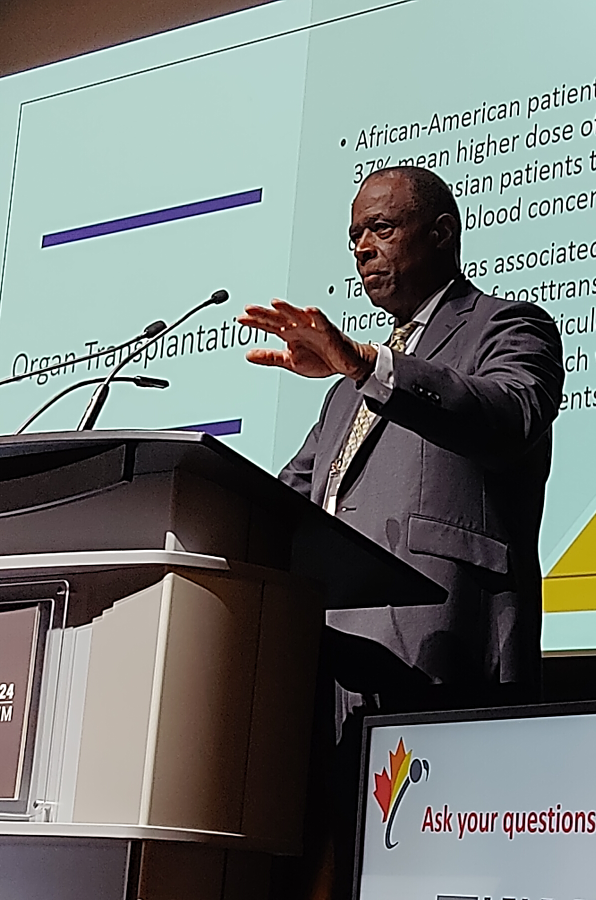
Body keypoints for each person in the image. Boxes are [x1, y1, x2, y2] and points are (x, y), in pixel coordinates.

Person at [236, 166, 562, 897]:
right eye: (354, 235)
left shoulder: (508, 326)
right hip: (333, 670)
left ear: (441, 232)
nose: (362, 248)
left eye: (380, 228)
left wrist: (365, 365)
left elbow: (509, 416)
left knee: (435, 878)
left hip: (444, 654)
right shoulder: (345, 393)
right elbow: (284, 502)